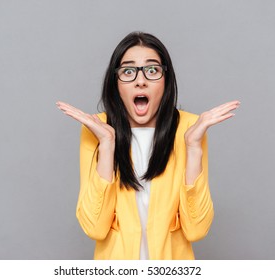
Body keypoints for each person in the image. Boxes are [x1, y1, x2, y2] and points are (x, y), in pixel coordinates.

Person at [56, 31, 240, 260]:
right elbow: (94, 227)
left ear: (166, 80)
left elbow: (197, 229)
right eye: (128, 71)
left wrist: (193, 148)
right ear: (116, 83)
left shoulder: (190, 128)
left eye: (152, 70)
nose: (140, 81)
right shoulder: (97, 129)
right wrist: (106, 144)